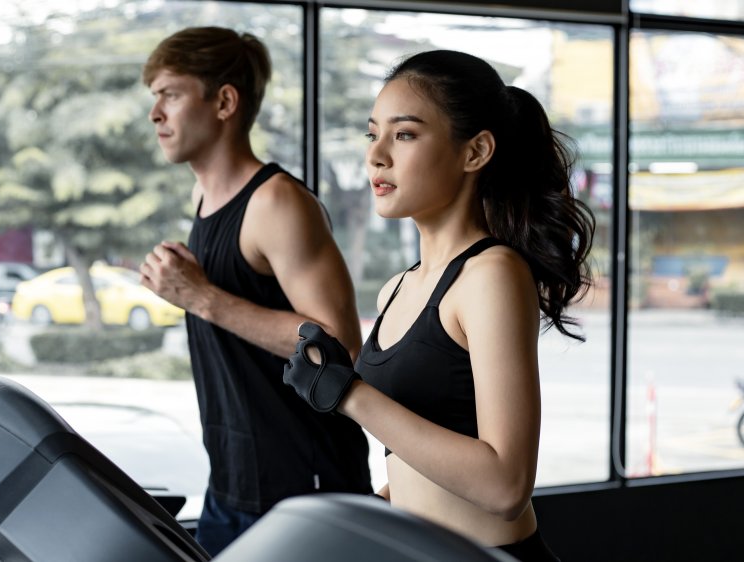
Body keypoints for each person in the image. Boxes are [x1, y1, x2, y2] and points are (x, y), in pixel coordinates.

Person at [283, 49, 595, 562]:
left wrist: (351, 396)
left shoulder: (491, 274)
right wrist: (378, 505)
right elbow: (420, 459)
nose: (377, 155)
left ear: (475, 152)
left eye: (404, 134)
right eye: (372, 133)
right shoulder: (396, 289)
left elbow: (505, 485)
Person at [138, 27, 372, 555]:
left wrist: (200, 297)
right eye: (153, 97)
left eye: (170, 94)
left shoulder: (276, 203)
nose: (155, 113)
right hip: (231, 485)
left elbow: (337, 344)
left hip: (304, 490)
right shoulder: (204, 195)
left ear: (224, 101)